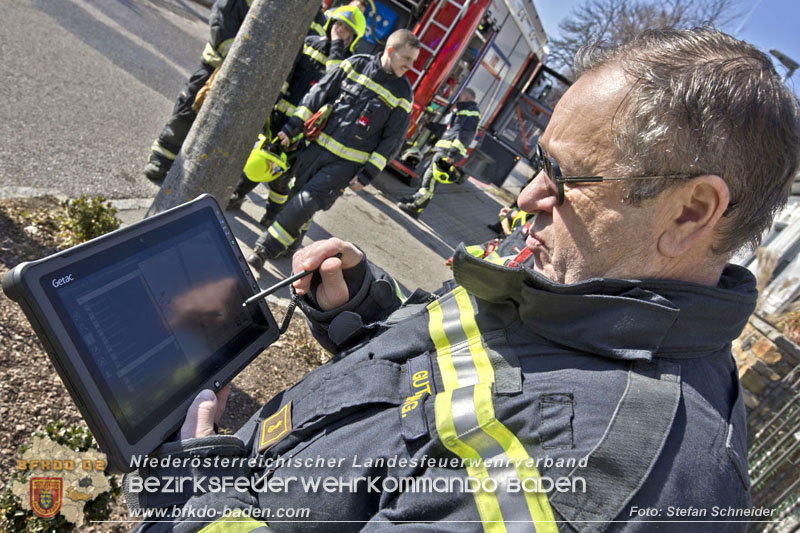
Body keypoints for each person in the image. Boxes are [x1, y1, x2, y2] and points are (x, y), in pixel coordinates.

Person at [125, 28, 800, 531]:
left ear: (689, 212)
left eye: (563, 177)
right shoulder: (584, 291)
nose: (528, 196)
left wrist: (199, 489)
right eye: (539, 162)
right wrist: (364, 307)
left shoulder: (600, 475)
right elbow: (454, 383)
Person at [245, 29, 420, 268]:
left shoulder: (403, 95)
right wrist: (293, 127)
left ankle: (264, 249)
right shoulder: (356, 65)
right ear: (390, 51)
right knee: (297, 198)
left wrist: (367, 174)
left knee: (307, 200)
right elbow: (320, 93)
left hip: (345, 165)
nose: (411, 66)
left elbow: (392, 141)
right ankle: (292, 244)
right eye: (407, 58)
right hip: (315, 149)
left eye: (413, 60)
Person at [143, 0, 367, 186]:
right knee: (189, 110)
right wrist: (237, 59)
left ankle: (197, 176)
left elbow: (296, 57)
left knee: (228, 133)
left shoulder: (316, 18)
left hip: (258, 86)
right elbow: (224, 16)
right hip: (219, 65)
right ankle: (161, 159)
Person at [225, 4, 366, 220]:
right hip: (279, 116)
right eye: (338, 25)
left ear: (354, 37)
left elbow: (334, 79)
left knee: (281, 172)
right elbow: (287, 73)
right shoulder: (310, 43)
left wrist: (337, 46)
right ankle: (243, 196)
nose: (340, 30)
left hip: (305, 128)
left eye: (347, 29)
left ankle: (271, 211)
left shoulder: (348, 64)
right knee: (263, 157)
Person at [397, 89, 481, 218]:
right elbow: (451, 131)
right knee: (427, 177)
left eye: (459, 98)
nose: (457, 100)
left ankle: (416, 208)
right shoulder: (463, 111)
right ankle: (415, 199)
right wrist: (431, 126)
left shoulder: (471, 112)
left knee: (430, 180)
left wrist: (452, 155)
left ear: (465, 98)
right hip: (443, 150)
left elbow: (464, 135)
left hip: (447, 152)